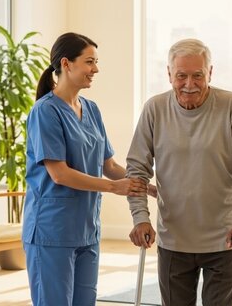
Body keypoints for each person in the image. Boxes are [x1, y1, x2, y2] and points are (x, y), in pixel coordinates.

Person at [126, 38, 232, 306]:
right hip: (173, 240)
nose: (189, 84)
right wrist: (140, 217)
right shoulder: (154, 109)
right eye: (181, 76)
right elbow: (137, 171)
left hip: (225, 239)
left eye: (198, 75)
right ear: (169, 75)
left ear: (210, 73)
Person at [22, 32, 147, 306]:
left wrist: (147, 186)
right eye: (90, 62)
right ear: (66, 64)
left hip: (86, 229)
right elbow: (60, 173)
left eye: (96, 62)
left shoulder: (91, 109)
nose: (96, 69)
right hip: (51, 231)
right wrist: (115, 188)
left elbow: (110, 166)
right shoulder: (45, 112)